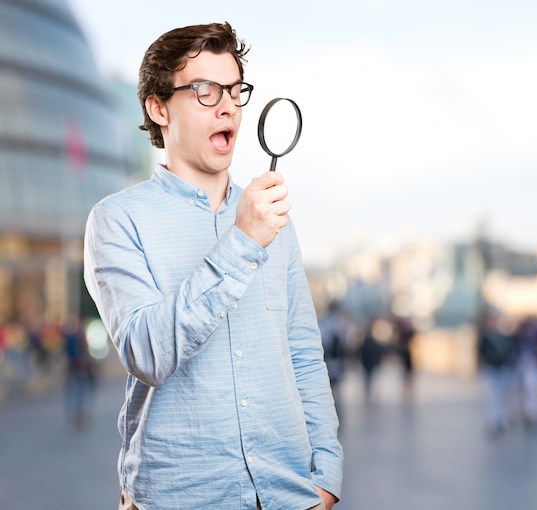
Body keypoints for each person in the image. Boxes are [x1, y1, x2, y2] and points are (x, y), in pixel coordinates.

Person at [83, 23, 342, 510]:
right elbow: (147, 353)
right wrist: (242, 242)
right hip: (177, 497)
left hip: (289, 496)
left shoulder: (274, 220)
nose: (227, 106)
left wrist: (326, 478)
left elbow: (304, 354)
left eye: (234, 90)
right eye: (204, 91)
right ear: (158, 108)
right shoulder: (115, 221)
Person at [476, 306, 519, 437]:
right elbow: (480, 352)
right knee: (492, 396)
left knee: (503, 396)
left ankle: (501, 420)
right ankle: (493, 421)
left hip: (503, 368)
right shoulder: (485, 335)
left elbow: (511, 350)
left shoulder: (505, 334)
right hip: (491, 368)